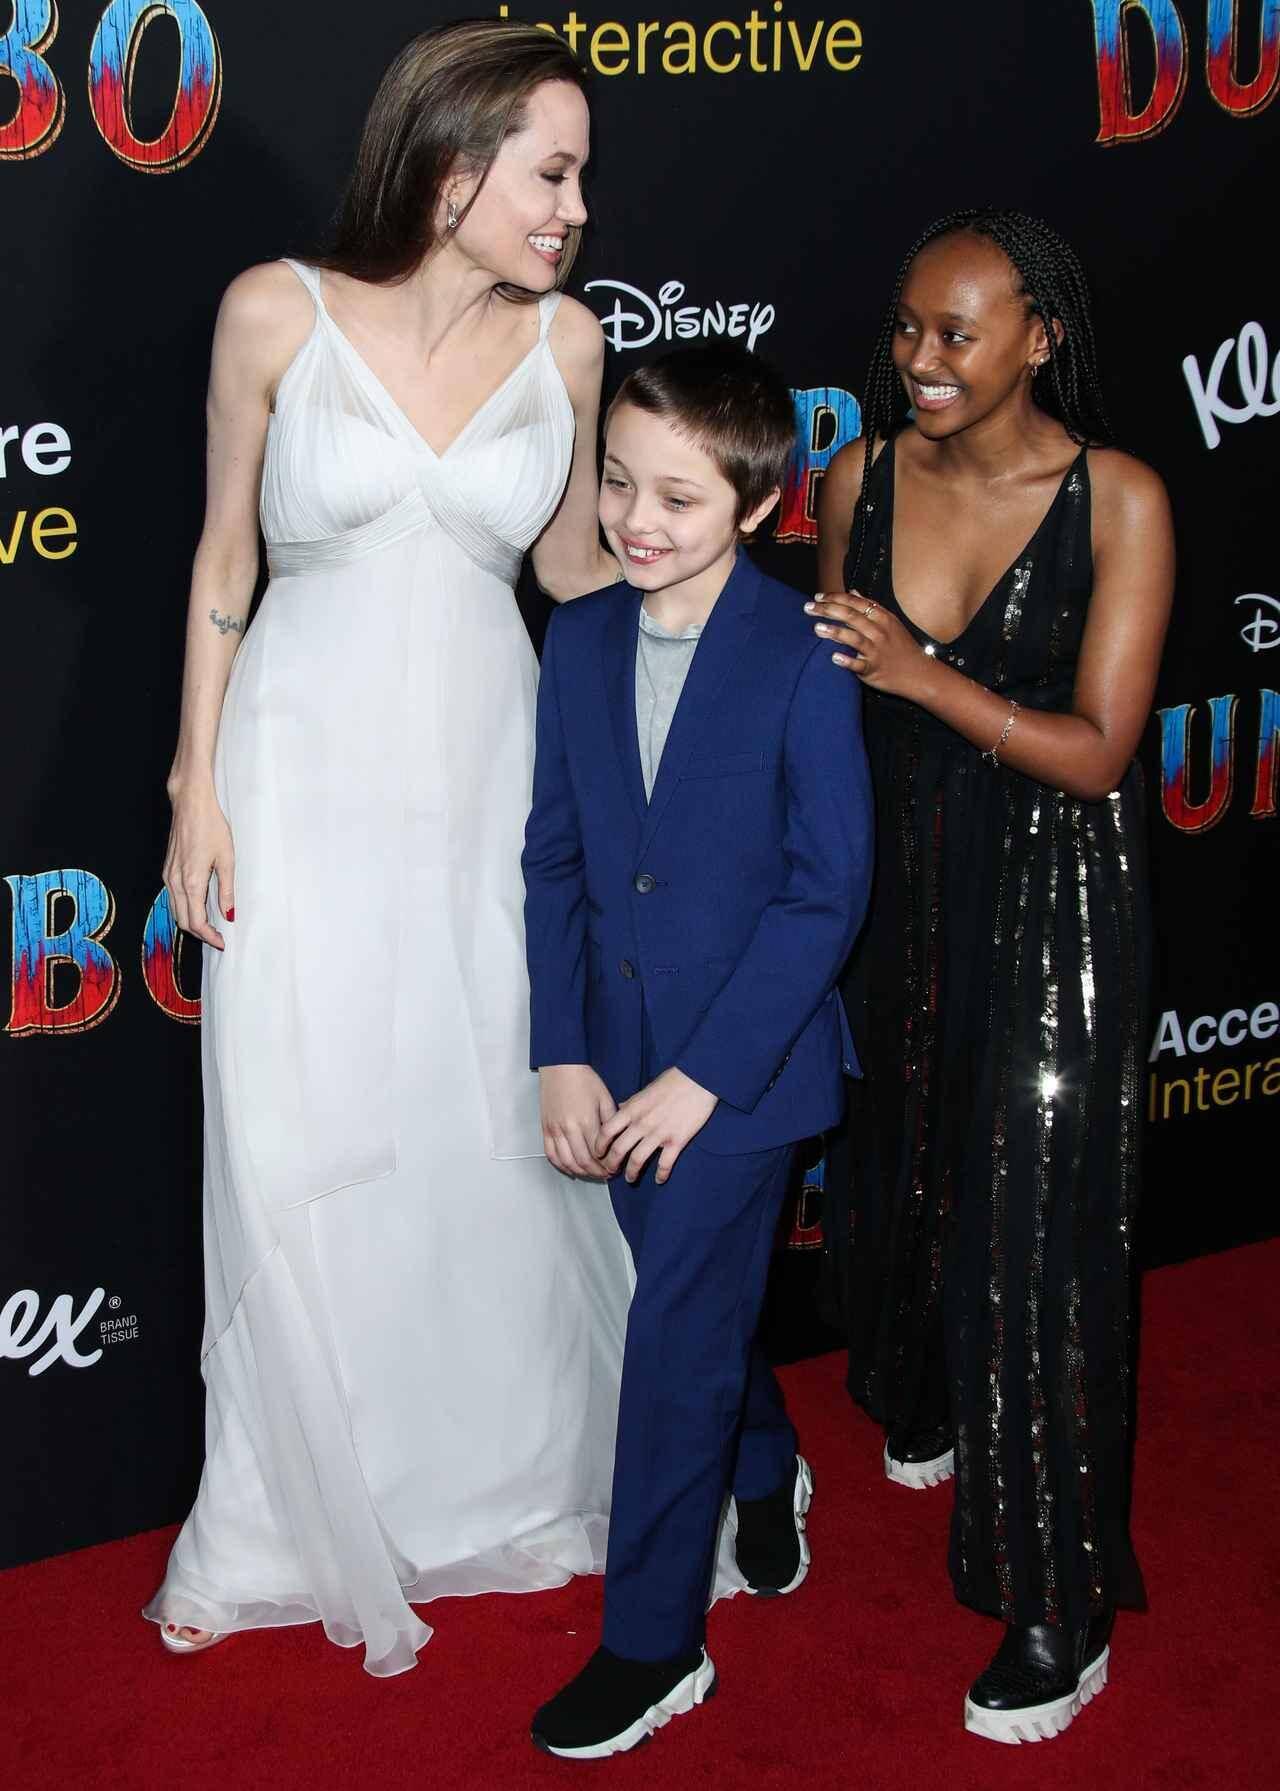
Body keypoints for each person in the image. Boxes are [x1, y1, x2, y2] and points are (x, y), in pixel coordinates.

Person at [144, 21, 637, 1677]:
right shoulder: (275, 312)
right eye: (552, 172)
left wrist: (710, 592)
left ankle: (502, 1484)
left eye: (580, 176)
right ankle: (271, 1526)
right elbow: (224, 559)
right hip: (298, 782)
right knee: (300, 1132)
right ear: (453, 169)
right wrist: (193, 783)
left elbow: (568, 572)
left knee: (476, 1133)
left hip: (493, 788)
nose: (576, 208)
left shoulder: (568, 345)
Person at [813, 208, 1172, 1742]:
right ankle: (931, 1395)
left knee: (1035, 1236)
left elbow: (1097, 754)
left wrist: (925, 675)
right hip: (900, 883)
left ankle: (1057, 1603)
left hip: (1055, 895)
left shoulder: (1119, 501)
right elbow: (833, 708)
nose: (922, 360)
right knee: (907, 1171)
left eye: (956, 333)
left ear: (1041, 335)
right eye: (907, 328)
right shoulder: (859, 479)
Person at [522, 346, 873, 1758]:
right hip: (610, 1054)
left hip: (747, 1073)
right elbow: (553, 860)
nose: (637, 519)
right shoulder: (579, 639)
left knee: (671, 1338)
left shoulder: (806, 652)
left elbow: (826, 892)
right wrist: (561, 1050)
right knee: (698, 1305)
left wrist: (706, 1077)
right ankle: (766, 1458)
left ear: (759, 503)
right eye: (618, 483)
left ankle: (654, 1645)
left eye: (678, 496)